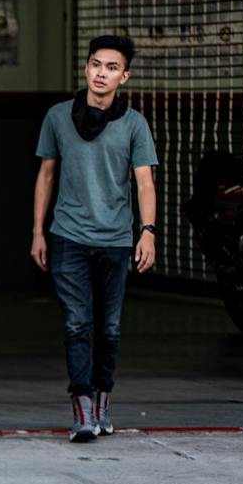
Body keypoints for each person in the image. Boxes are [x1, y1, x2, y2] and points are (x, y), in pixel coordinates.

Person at [31, 35, 158, 442]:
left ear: (125, 76)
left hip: (117, 239)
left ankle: (103, 395)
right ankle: (82, 406)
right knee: (76, 324)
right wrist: (38, 232)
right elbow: (46, 174)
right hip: (68, 235)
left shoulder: (134, 123)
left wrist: (148, 233)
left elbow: (144, 183)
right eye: (95, 65)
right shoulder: (57, 116)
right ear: (86, 69)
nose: (101, 73)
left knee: (111, 328)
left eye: (111, 68)